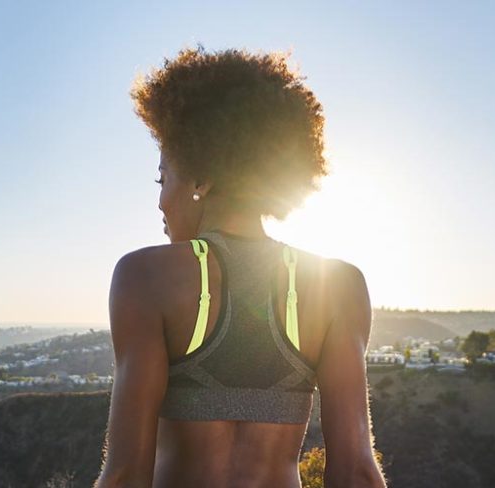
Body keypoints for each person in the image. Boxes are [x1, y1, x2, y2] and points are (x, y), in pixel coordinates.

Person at [93, 45, 387, 488]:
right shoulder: (339, 286)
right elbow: (357, 472)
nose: (159, 200)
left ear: (200, 180)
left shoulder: (145, 277)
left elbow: (125, 476)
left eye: (162, 178)